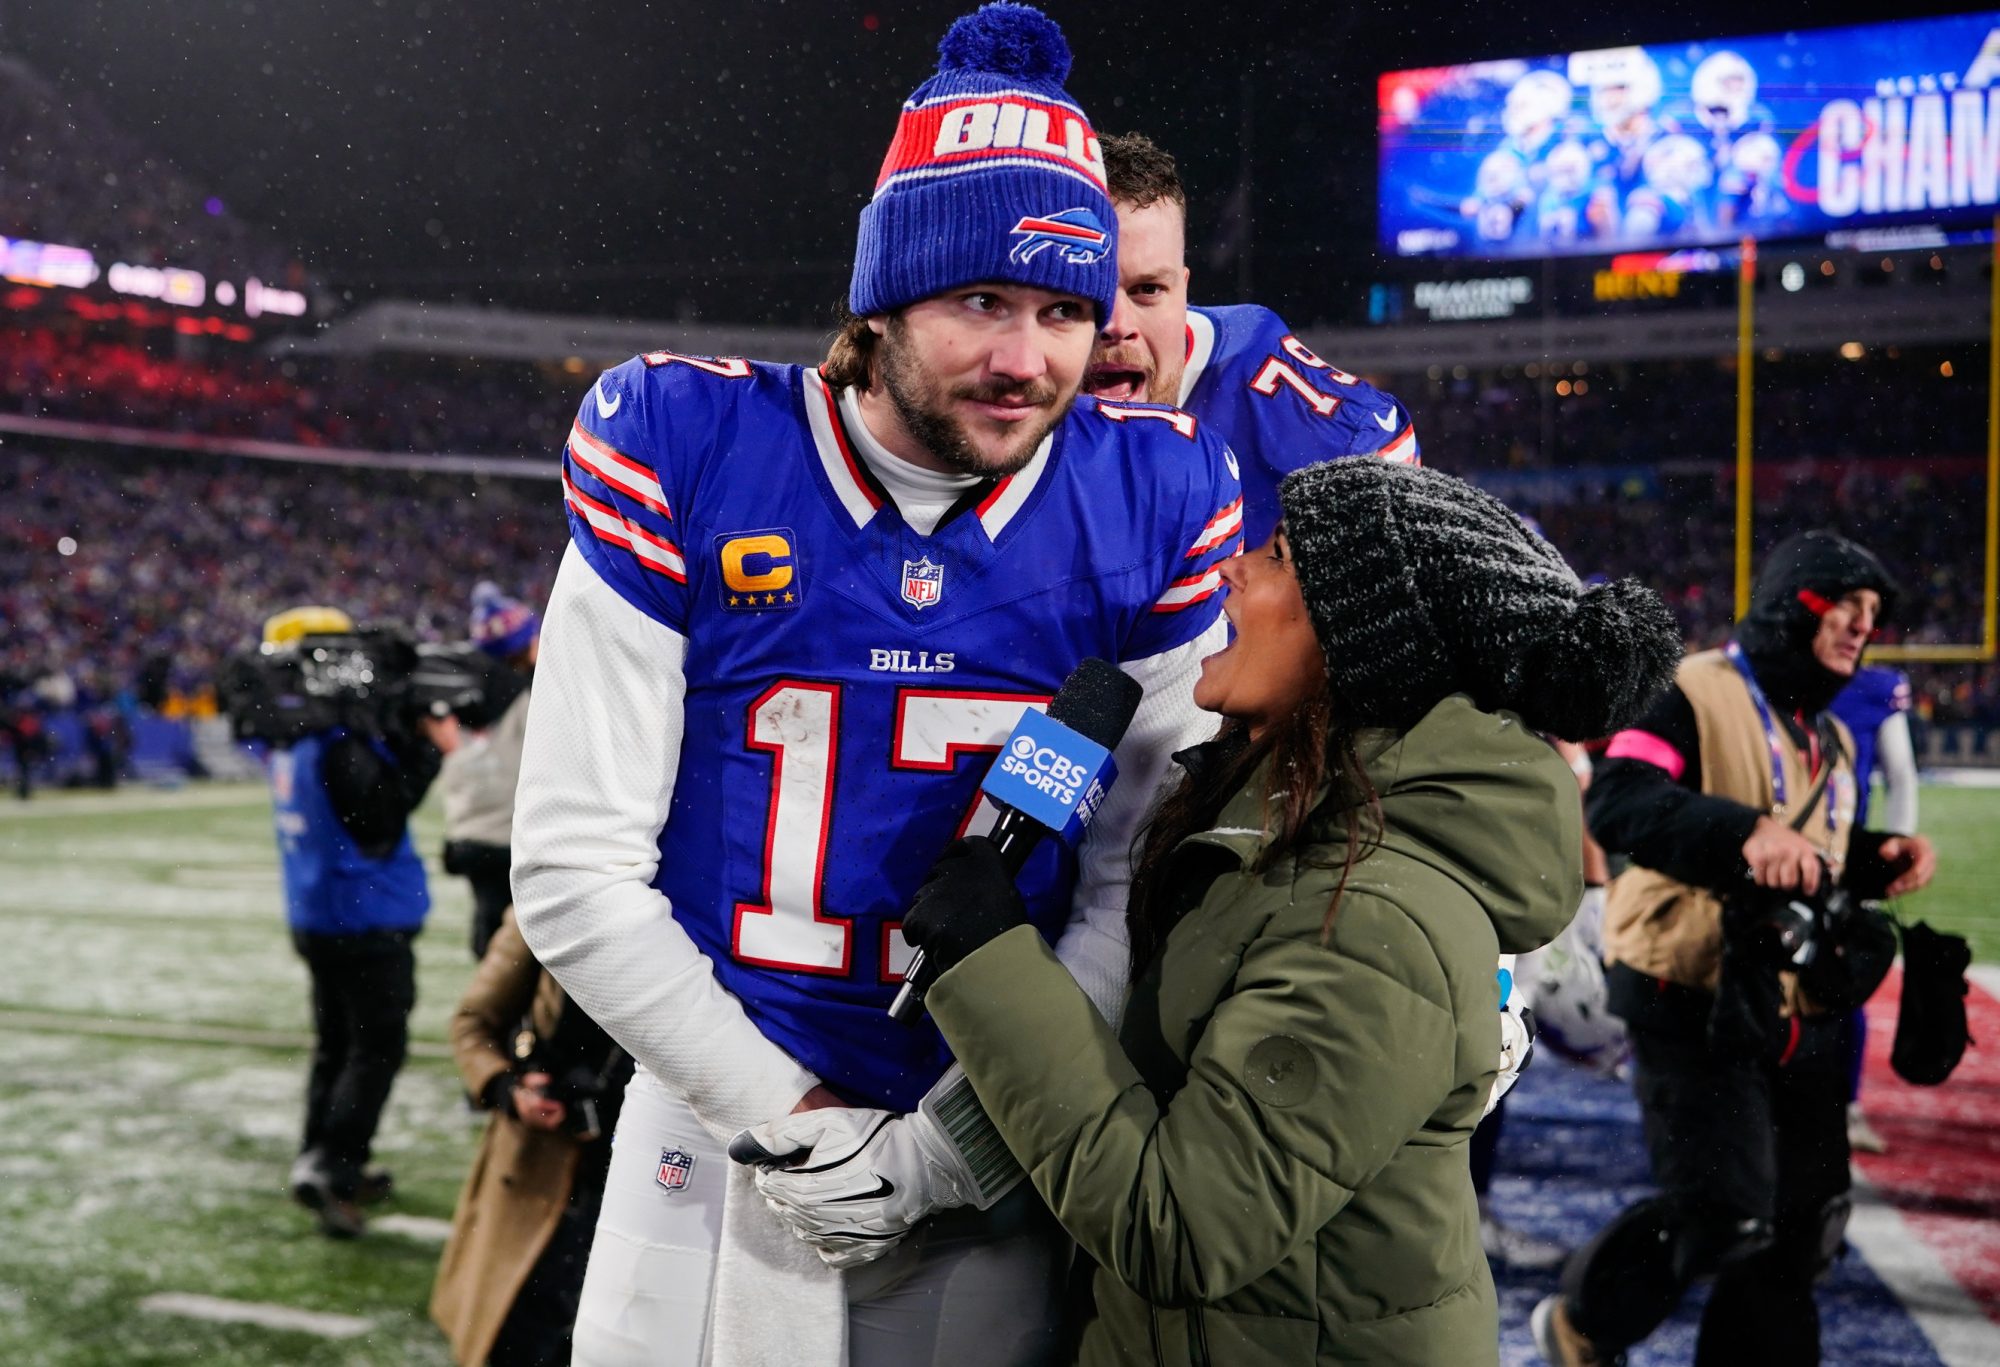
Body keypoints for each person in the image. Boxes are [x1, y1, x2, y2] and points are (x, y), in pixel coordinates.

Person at [509, 6, 1242, 1363]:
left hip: (1001, 1121)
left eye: (1067, 310)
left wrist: (953, 1144)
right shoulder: (687, 440)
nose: (1031, 359)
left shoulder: (1157, 489)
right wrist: (790, 1119)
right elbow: (571, 865)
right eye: (982, 301)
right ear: (884, 295)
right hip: (715, 1109)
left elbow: (1144, 878)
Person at [739, 459, 1682, 1364]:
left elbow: (1182, 1225)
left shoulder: (1373, 917)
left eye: (1276, 558)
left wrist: (993, 963)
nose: (1234, 566)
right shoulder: (1294, 831)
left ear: (1357, 643)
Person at [1535, 530, 1939, 1367]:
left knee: (1804, 1230)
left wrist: (1871, 857)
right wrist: (1740, 833)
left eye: (1874, 615)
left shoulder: (1824, 733)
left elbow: (1803, 847)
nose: (1863, 627)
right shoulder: (1686, 688)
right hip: (1689, 987)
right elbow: (1619, 802)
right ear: (1799, 600)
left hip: (1795, 999)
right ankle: (1584, 1320)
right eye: (1849, 607)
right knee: (1726, 1212)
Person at [1084, 131, 1418, 549]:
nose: (1116, 324)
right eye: (1085, 292)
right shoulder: (996, 402)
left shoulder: (1310, 430)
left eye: (1148, 289)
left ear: (1183, 293)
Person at [262, 605, 448, 1238]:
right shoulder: (336, 740)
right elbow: (378, 818)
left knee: (337, 1046)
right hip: (362, 911)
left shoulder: (292, 733)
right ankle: (333, 1168)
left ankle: (322, 1156)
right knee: (373, 1049)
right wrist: (425, 750)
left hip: (320, 908)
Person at [431, 910, 632, 1367]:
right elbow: (472, 1023)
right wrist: (510, 1089)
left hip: (655, 1177)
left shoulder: (702, 907)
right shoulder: (550, 905)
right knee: (519, 1330)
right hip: (546, 1163)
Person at [1829, 661, 1918, 1153]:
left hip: (1846, 849)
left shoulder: (1873, 688)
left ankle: (1846, 1103)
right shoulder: (1756, 672)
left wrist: (1895, 850)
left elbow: (1900, 775)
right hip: (1773, 845)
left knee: (1843, 982)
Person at [437, 582, 540, 960]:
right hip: (516, 839)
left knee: (490, 942)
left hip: (469, 835)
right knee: (525, 954)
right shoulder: (532, 694)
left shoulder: (450, 691)